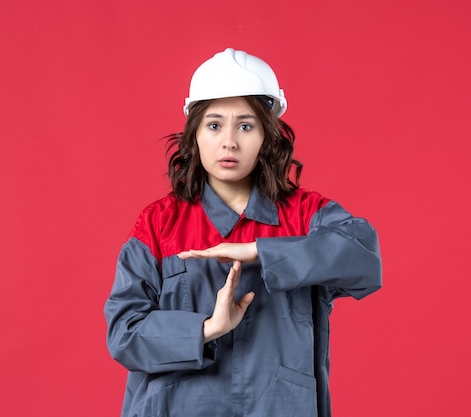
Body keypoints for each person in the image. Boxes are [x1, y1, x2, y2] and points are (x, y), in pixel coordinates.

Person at [104, 47, 382, 417]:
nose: (229, 142)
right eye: (215, 125)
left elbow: (364, 256)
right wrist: (205, 328)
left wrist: (260, 251)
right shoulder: (159, 224)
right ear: (195, 135)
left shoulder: (305, 214)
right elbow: (124, 333)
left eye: (246, 126)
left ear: (267, 137)